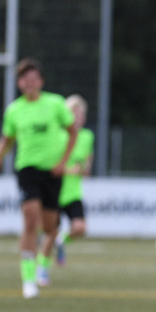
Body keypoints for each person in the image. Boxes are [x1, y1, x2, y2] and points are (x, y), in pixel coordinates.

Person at [0, 58, 77, 299]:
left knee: (49, 227)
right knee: (30, 220)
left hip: (53, 172)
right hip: (27, 170)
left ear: (41, 81)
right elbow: (8, 138)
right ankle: (28, 281)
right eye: (25, 80)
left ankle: (44, 259)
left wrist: (63, 162)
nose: (30, 83)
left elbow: (73, 132)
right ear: (19, 83)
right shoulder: (14, 110)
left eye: (34, 79)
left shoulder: (56, 104)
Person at [54, 95, 95, 267]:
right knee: (48, 232)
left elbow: (87, 166)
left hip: (73, 192)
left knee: (80, 228)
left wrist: (85, 169)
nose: (78, 117)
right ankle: (42, 269)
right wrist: (71, 170)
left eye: (81, 114)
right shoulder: (58, 136)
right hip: (56, 191)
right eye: (74, 113)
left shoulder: (87, 136)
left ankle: (61, 241)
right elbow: (53, 167)